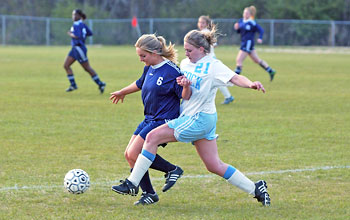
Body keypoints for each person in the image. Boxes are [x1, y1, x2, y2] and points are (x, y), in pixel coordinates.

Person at [112, 25, 271, 206]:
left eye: (189, 50)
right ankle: (256, 188)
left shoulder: (213, 66)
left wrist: (251, 84)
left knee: (152, 137)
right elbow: (184, 91)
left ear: (202, 49)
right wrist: (184, 83)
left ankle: (133, 183)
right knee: (214, 165)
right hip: (198, 118)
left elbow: (235, 78)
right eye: (185, 49)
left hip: (199, 118)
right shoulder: (186, 64)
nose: (186, 53)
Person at [110, 34, 189, 205]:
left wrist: (186, 86)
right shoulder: (149, 67)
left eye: (142, 56)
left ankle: (171, 170)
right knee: (129, 155)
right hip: (149, 118)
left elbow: (183, 96)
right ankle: (150, 194)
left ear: (154, 52)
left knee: (134, 153)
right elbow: (140, 83)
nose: (140, 59)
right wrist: (123, 91)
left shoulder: (172, 71)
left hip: (163, 120)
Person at [64, 9, 106, 93]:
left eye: (74, 15)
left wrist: (70, 34)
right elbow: (90, 33)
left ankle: (100, 83)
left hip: (79, 48)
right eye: (72, 15)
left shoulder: (77, 25)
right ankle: (73, 85)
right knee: (66, 65)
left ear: (79, 16)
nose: (73, 17)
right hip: (75, 49)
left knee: (87, 68)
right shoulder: (82, 24)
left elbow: (77, 36)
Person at [197, 15, 234, 105]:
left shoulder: (205, 32)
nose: (200, 24)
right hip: (208, 58)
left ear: (206, 24)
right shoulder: (203, 32)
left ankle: (228, 93)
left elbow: (213, 44)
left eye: (203, 22)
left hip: (209, 59)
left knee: (212, 79)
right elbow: (214, 44)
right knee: (213, 79)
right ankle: (228, 96)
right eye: (199, 22)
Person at [233, 6, 276, 81]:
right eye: (244, 12)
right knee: (256, 60)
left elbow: (261, 30)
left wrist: (260, 38)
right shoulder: (241, 21)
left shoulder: (252, 22)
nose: (245, 14)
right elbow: (240, 32)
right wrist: (237, 28)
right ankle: (271, 71)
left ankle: (234, 80)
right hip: (244, 42)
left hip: (248, 43)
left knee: (239, 60)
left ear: (250, 14)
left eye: (247, 13)